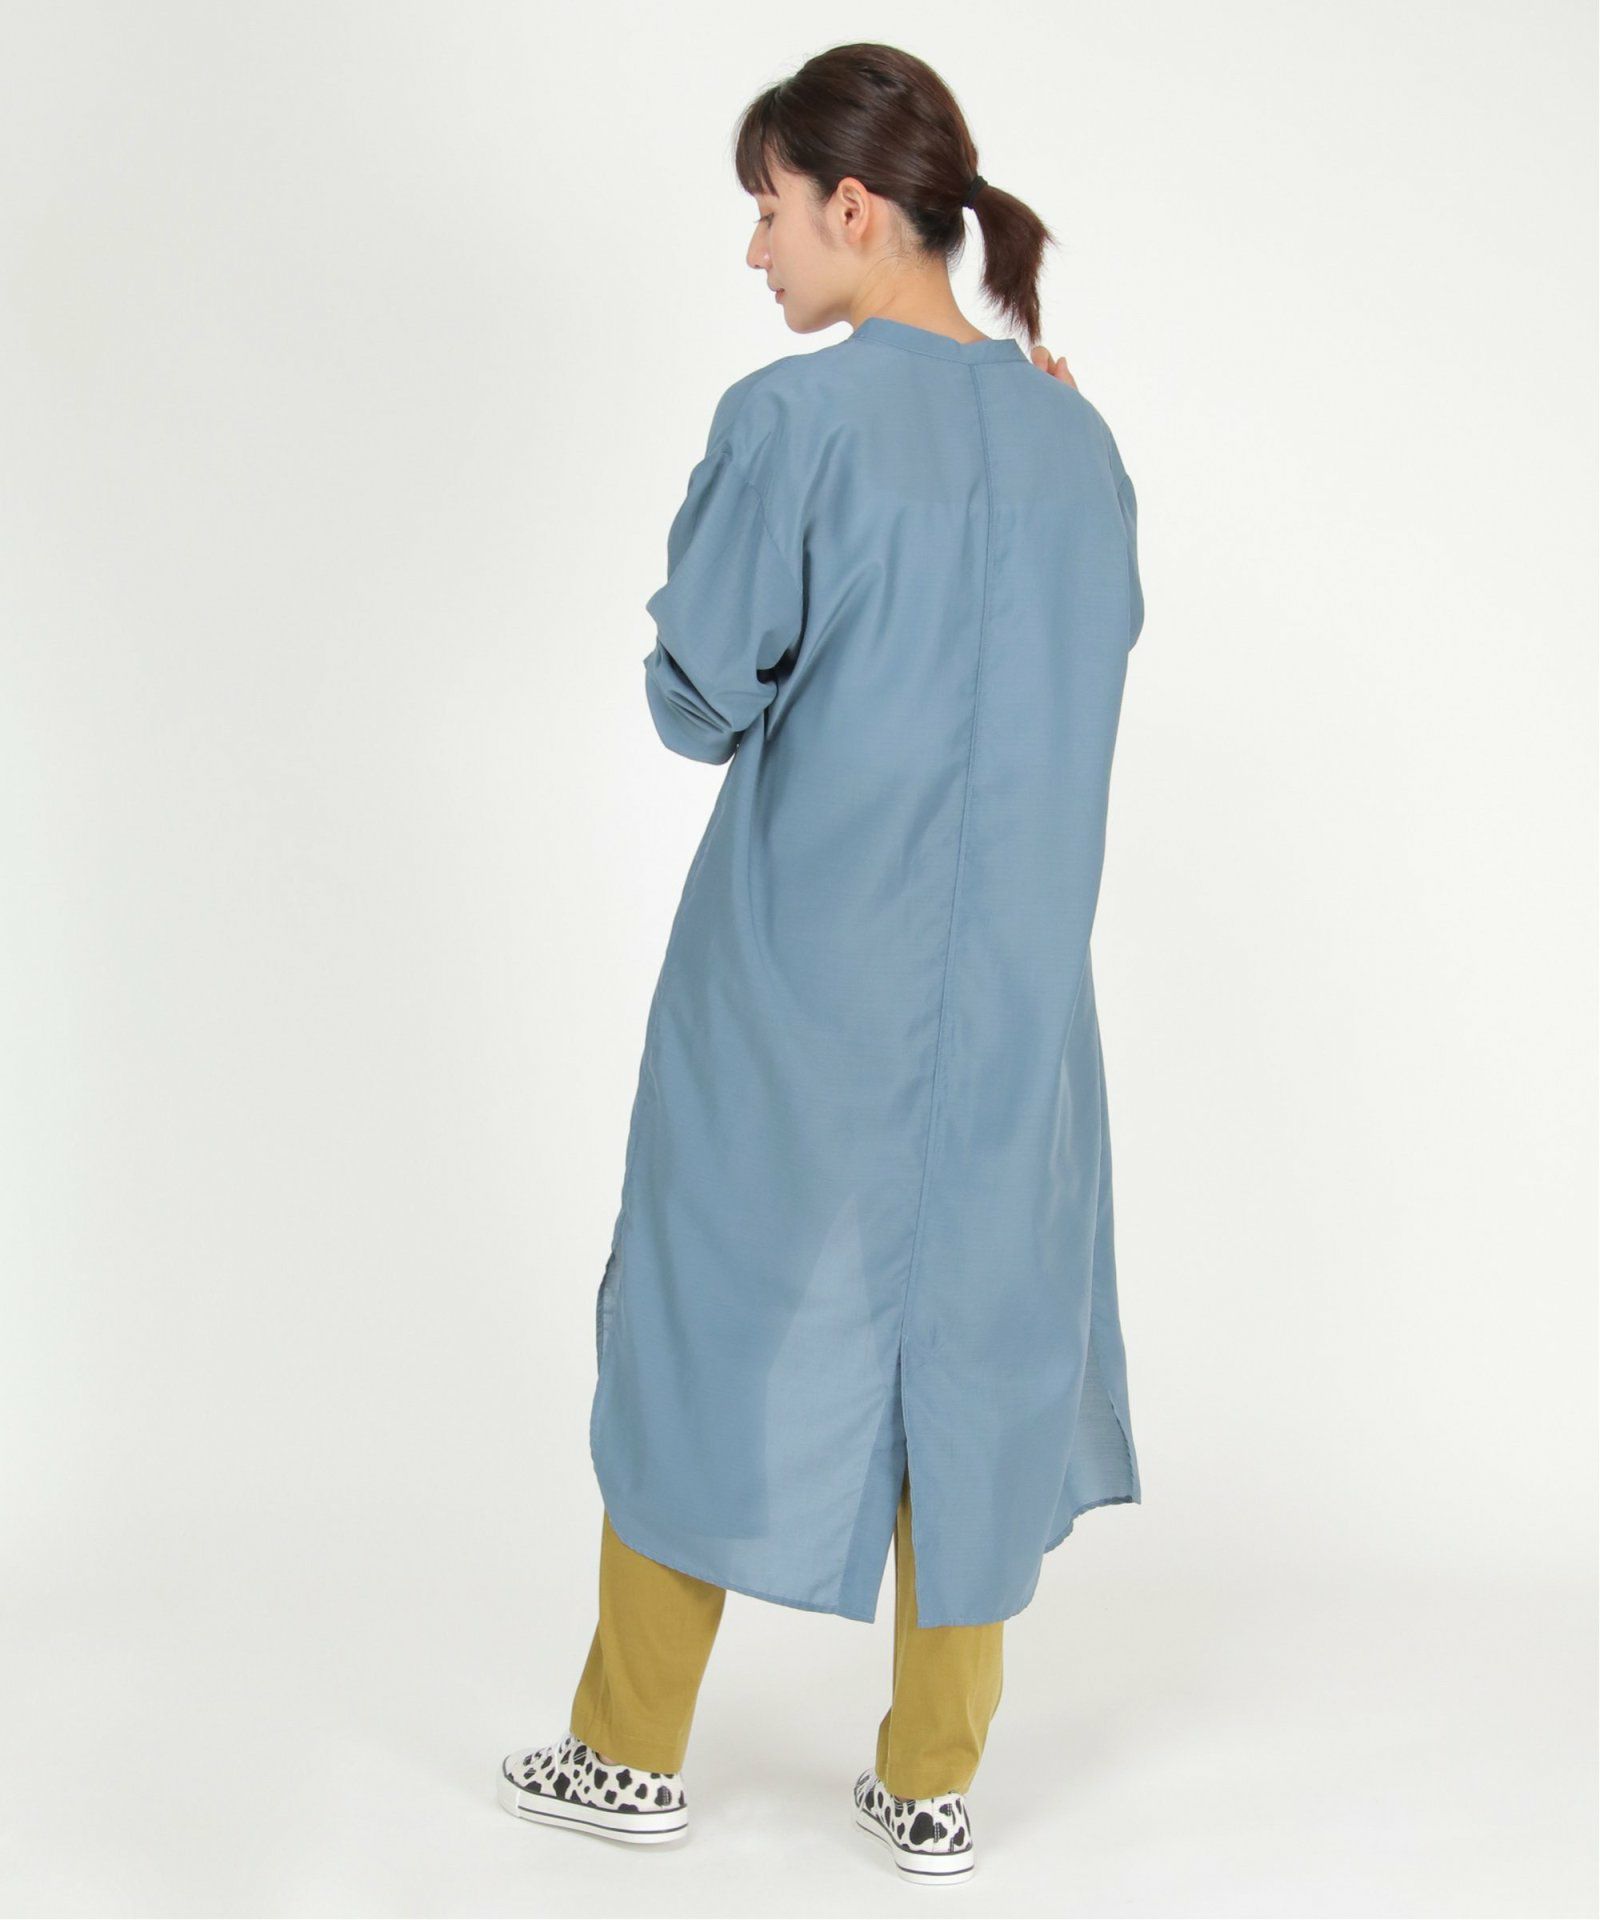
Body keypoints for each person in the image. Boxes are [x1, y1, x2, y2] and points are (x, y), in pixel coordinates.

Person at [498, 41, 1145, 1882]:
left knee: (704, 1309)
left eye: (769, 211)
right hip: (1016, 1003)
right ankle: (933, 1781)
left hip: (801, 977)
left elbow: (696, 700)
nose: (757, 253)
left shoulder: (792, 424)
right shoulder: (1082, 444)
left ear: (854, 206)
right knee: (976, 1337)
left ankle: (626, 1754)